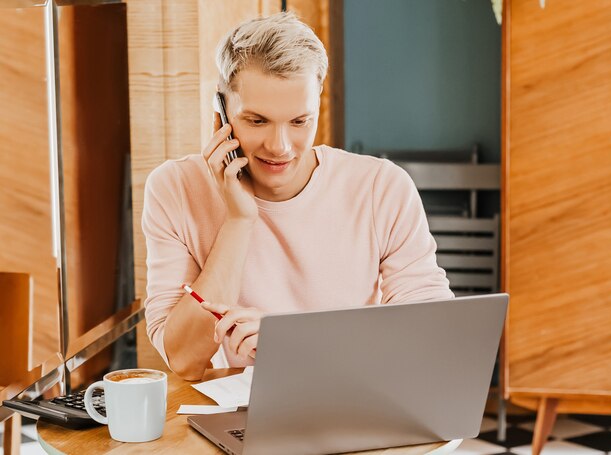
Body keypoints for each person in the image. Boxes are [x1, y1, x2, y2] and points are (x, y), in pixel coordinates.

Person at [142, 12, 453, 381]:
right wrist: (239, 221)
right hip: (239, 418)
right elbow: (183, 359)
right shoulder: (174, 188)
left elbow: (431, 336)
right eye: (257, 121)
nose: (280, 146)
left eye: (299, 121)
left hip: (353, 399)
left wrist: (292, 345)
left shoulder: (381, 187)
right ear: (221, 115)